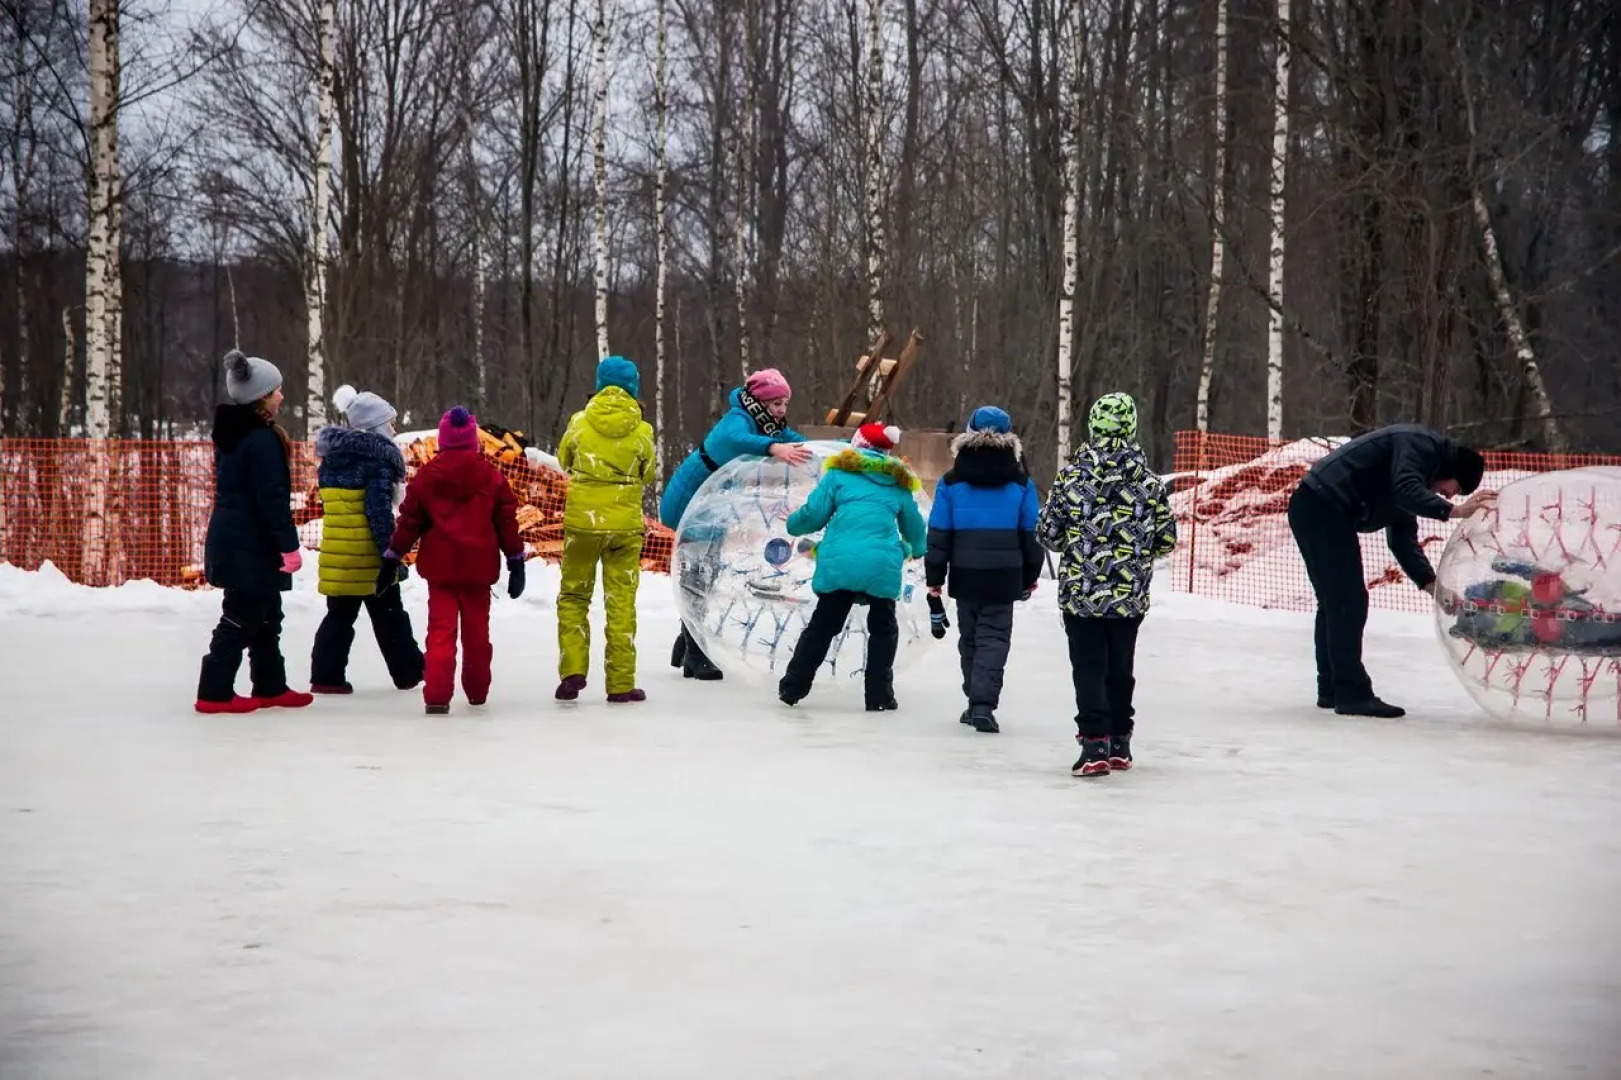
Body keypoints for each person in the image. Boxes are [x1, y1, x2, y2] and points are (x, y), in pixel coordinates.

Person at [1287, 423, 1495, 718]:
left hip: (1318, 507)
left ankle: (1332, 688)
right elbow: (1405, 490)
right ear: (1452, 471)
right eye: (1455, 489)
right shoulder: (1420, 445)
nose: (1449, 496)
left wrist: (1432, 585)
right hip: (1323, 506)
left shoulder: (1417, 475)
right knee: (1348, 601)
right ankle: (1352, 693)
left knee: (1336, 602)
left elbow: (1402, 538)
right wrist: (1454, 513)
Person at [1038, 392, 1177, 778]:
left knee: (1087, 666)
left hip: (1081, 593)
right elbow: (1166, 539)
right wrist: (1135, 549)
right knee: (1120, 667)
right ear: (1131, 427)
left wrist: (1076, 540)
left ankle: (1094, 742)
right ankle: (1120, 741)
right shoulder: (1149, 483)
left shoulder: (1070, 476)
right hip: (1128, 595)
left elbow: (1048, 534)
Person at [660, 367, 811, 680]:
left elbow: (797, 443)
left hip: (713, 502)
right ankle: (696, 654)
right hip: (690, 497)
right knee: (698, 572)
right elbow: (735, 439)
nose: (782, 410)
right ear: (760, 402)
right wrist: (772, 448)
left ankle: (687, 641)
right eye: (776, 404)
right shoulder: (739, 418)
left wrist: (848, 449)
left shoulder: (769, 423)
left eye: (785, 404)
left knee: (707, 571)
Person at [195, 350, 316, 715]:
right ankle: (214, 691)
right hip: (250, 543)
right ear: (261, 397)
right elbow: (272, 500)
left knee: (266, 615)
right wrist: (288, 546)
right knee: (242, 614)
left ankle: (270, 684)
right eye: (276, 390)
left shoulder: (238, 435)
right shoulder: (261, 441)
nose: (282, 396)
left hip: (239, 539)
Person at [382, 407, 525, 715]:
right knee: (477, 635)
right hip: (478, 571)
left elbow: (409, 521)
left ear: (443, 441)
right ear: (474, 441)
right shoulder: (491, 476)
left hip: (441, 571)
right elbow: (507, 522)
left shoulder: (428, 477)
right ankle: (476, 690)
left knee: (441, 634)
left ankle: (437, 694)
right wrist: (515, 561)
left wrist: (393, 556)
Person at [777, 423, 929, 711]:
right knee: (883, 629)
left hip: (841, 563)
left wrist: (794, 523)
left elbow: (814, 514)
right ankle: (879, 695)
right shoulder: (898, 483)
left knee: (823, 626)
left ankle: (793, 687)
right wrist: (918, 549)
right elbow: (914, 525)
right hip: (881, 565)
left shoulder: (839, 474)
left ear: (856, 446)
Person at [923, 405, 1044, 734]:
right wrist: (1031, 574)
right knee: (994, 638)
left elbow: (938, 533)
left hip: (965, 570)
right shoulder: (1021, 482)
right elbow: (1032, 531)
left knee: (971, 638)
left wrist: (935, 577)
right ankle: (982, 704)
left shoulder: (951, 482)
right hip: (1005, 572)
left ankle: (974, 699)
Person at [308, 385, 424, 694]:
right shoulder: (377, 461)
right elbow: (378, 514)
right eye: (390, 422)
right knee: (391, 616)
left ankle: (325, 675)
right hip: (369, 557)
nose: (394, 428)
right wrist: (392, 556)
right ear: (376, 426)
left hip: (338, 552)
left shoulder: (331, 459)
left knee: (339, 616)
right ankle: (410, 670)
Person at [554, 356, 657, 703]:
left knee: (573, 597)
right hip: (625, 529)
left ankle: (572, 671)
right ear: (633, 387)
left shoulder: (580, 422)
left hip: (582, 525)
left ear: (599, 384)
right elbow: (648, 474)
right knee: (621, 603)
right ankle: (621, 684)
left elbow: (564, 460)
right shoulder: (642, 429)